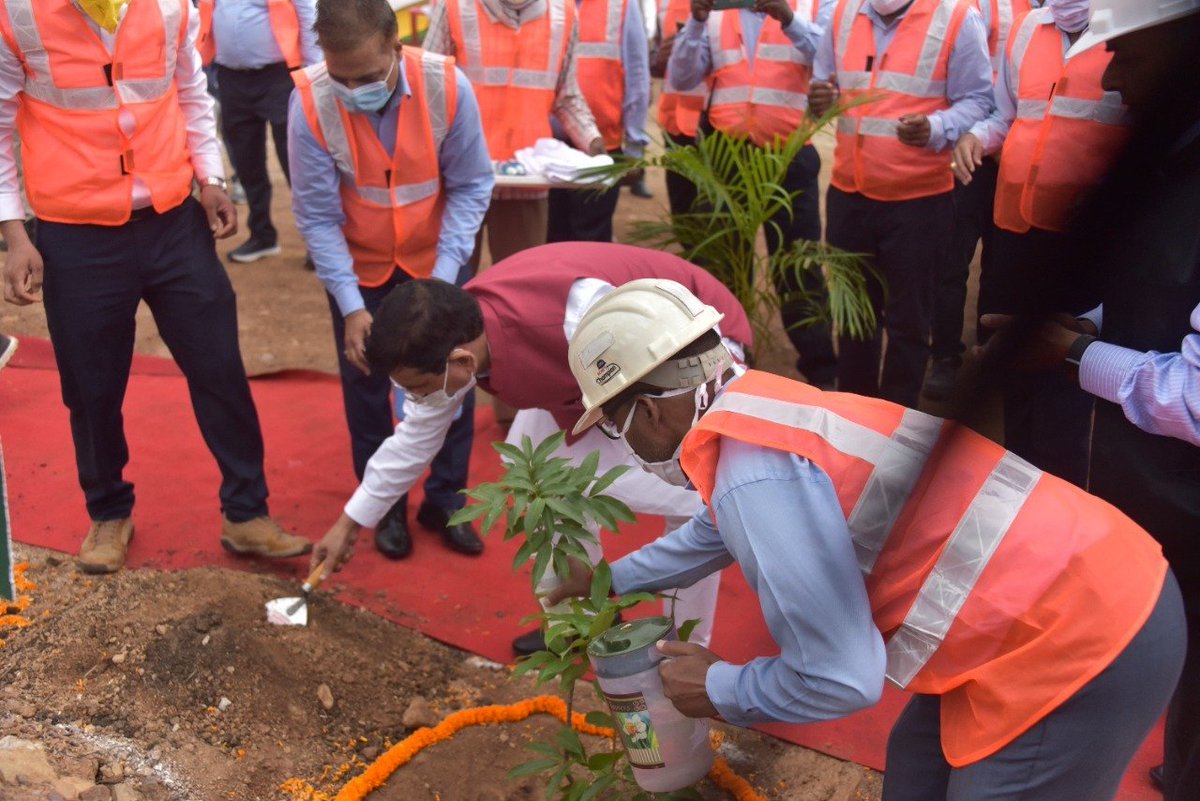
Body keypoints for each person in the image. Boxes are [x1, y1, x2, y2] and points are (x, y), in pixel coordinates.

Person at [547, 279, 1184, 800]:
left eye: (616, 426)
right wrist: (606, 578)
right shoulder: (762, 408)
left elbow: (842, 679)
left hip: (1088, 635)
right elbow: (710, 535)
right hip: (1076, 584)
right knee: (915, 772)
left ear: (652, 410)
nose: (622, 445)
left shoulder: (751, 473)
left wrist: (720, 690)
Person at [309, 242, 753, 654]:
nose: (415, 400)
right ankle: (576, 622)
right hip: (595, 381)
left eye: (421, 389)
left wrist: (663, 451)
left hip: (693, 348)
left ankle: (686, 645)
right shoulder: (451, 335)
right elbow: (415, 437)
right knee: (537, 476)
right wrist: (349, 523)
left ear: (462, 362)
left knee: (687, 491)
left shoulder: (579, 316)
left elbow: (680, 367)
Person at [978, 1, 1200, 797]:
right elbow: (1167, 302)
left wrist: (1074, 352)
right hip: (1151, 480)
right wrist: (1086, 326)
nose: (1109, 77)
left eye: (1131, 57)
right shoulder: (1173, 169)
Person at [0, 0, 308, 574]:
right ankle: (109, 510)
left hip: (173, 221)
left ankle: (246, 512)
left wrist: (211, 178)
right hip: (76, 232)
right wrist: (15, 234)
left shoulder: (169, 8)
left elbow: (192, 92)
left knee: (218, 365)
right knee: (91, 386)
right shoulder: (18, 15)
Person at [290, 0, 494, 559]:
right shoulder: (309, 101)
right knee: (366, 388)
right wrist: (352, 305)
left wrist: (445, 285)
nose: (352, 89)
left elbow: (473, 184)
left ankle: (447, 500)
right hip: (360, 271)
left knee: (453, 379)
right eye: (340, 77)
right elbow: (315, 214)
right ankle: (384, 508)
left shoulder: (448, 87)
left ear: (394, 45)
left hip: (439, 261)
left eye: (367, 76)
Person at [951, 0, 1130, 487]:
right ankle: (1012, 478)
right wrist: (976, 136)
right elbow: (1010, 117)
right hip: (1014, 231)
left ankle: (1056, 492)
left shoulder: (1132, 28)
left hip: (1084, 246)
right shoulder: (1030, 26)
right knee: (1011, 363)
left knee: (1067, 376)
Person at [809, 0, 993, 408]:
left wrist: (937, 127)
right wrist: (820, 98)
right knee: (856, 316)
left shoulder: (958, 18)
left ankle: (894, 421)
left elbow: (980, 100)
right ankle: (855, 414)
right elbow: (826, 84)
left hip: (918, 201)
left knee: (910, 322)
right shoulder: (842, 14)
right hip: (849, 194)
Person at [668, 0, 838, 390]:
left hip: (789, 157)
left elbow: (829, 58)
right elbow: (680, 77)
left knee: (798, 264)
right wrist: (695, 21)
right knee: (726, 267)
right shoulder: (714, 13)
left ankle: (821, 371)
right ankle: (730, 365)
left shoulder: (811, 6)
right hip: (727, 156)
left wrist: (788, 18)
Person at [422, 0, 605, 270]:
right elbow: (429, 86)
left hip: (526, 180)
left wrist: (593, 142)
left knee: (520, 284)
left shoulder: (563, 14)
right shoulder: (455, 6)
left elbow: (566, 95)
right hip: (459, 179)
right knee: (448, 285)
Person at [924, 0, 1033, 401]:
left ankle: (990, 357)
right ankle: (945, 358)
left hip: (1015, 159)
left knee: (1000, 266)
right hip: (963, 156)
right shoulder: (952, 7)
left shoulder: (1035, 9)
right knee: (951, 263)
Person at [196, 0, 322, 263]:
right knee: (246, 161)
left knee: (295, 161)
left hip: (279, 76)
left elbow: (307, 12)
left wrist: (312, 70)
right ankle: (262, 235)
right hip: (231, 78)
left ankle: (318, 240)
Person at [545, 0, 651, 244]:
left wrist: (634, 148)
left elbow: (637, 78)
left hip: (601, 150)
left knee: (590, 241)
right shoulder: (545, 4)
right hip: (548, 149)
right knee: (551, 238)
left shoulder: (622, 5)